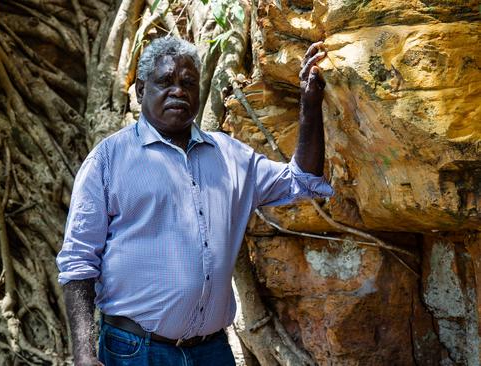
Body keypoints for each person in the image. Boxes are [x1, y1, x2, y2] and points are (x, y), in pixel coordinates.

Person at [56, 36, 332, 366]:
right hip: (135, 351)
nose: (179, 91)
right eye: (165, 82)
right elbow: (77, 263)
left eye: (188, 83)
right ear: (141, 90)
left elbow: (302, 180)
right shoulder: (108, 160)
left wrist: (310, 102)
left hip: (211, 351)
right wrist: (83, 353)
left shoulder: (230, 156)